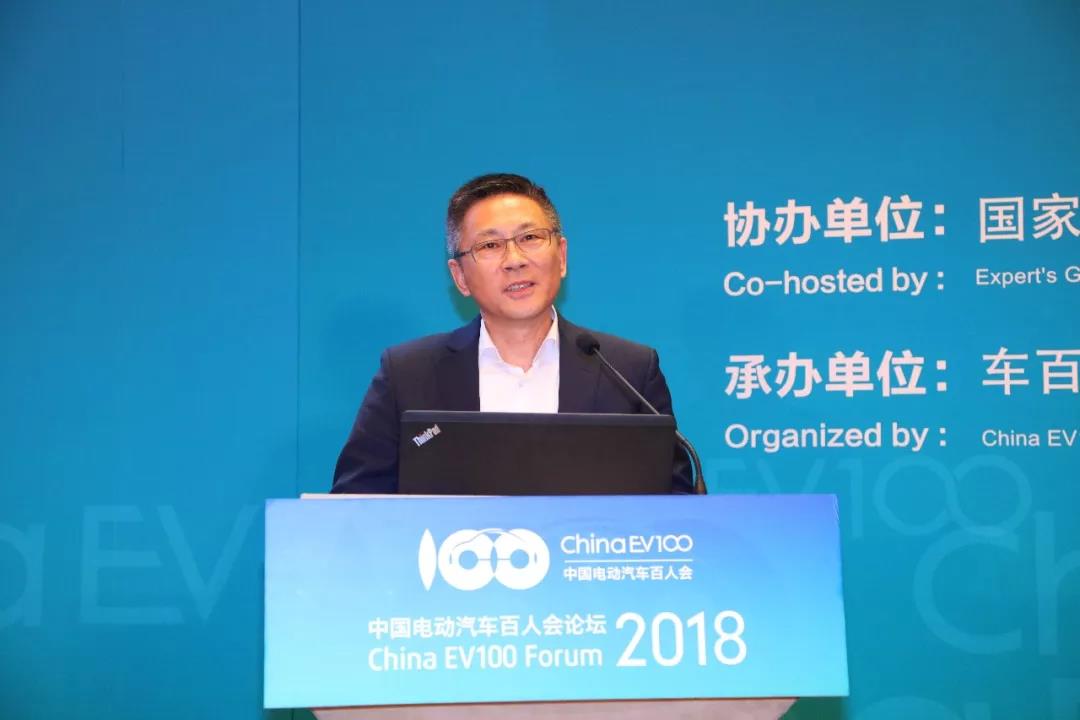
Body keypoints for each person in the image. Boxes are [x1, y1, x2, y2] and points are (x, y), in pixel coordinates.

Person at [332, 173, 692, 493]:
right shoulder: (407, 374)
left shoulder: (629, 371)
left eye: (530, 237)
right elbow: (354, 505)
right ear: (460, 277)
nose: (515, 260)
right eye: (490, 246)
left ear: (562, 256)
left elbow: (676, 510)